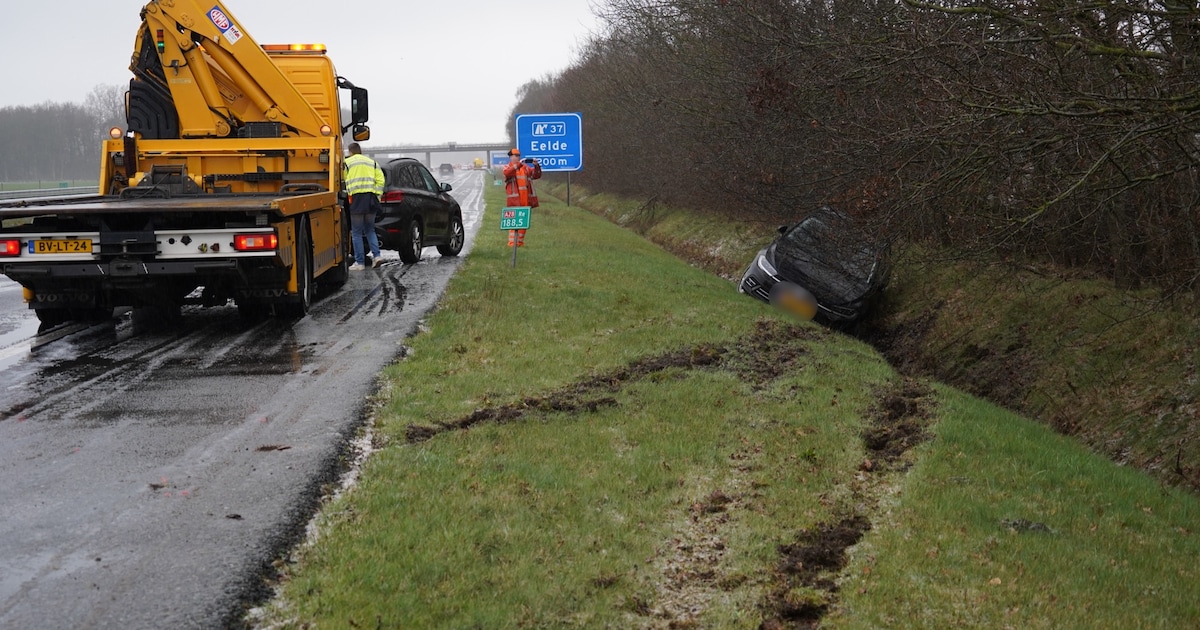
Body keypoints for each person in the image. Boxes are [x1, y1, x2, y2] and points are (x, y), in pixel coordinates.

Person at [343, 142, 385, 269]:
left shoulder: (347, 163)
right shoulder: (372, 163)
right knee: (370, 230)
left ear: (350, 152)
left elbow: (343, 180)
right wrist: (377, 196)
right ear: (360, 151)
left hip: (356, 199)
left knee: (356, 232)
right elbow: (381, 180)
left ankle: (360, 263)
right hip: (371, 199)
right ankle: (377, 256)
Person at [502, 148, 541, 247]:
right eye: (515, 155)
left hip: (525, 200)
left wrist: (536, 166)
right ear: (510, 157)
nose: (517, 157)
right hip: (514, 201)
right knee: (513, 222)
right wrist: (519, 164)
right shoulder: (507, 167)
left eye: (518, 155)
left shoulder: (525, 168)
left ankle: (519, 242)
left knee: (523, 223)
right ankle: (511, 243)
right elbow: (507, 173)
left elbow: (536, 175)